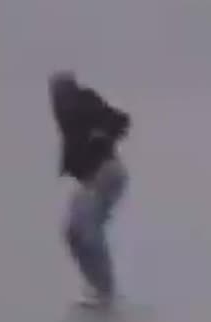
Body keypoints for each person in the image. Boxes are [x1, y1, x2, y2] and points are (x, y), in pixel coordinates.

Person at [48, 71, 131, 307]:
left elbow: (121, 121)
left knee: (86, 229)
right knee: (72, 233)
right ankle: (97, 286)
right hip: (91, 179)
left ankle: (107, 290)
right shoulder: (66, 114)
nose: (55, 99)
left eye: (59, 92)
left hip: (106, 174)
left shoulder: (83, 101)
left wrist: (103, 132)